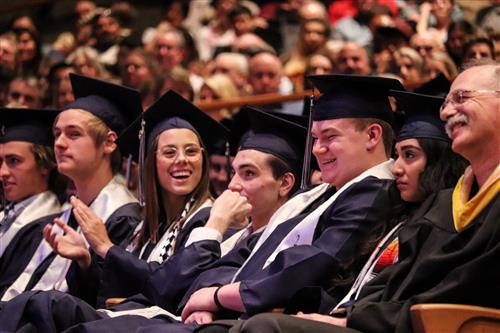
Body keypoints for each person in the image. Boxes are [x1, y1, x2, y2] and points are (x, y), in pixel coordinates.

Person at [199, 60, 500, 333]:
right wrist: (348, 313)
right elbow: (390, 281)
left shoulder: (378, 195)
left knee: (263, 328)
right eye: (446, 102)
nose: (447, 111)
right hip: (380, 320)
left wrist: (351, 318)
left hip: (420, 327)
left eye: (462, 98)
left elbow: (463, 290)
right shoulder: (444, 203)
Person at [104, 74, 406, 333]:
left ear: (372, 135)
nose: (317, 149)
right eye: (314, 138)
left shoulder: (374, 193)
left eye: (329, 137)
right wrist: (209, 295)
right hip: (232, 314)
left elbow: (311, 264)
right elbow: (242, 255)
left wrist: (219, 298)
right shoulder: (320, 195)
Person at [0, 106, 308, 333]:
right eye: (169, 152)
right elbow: (109, 292)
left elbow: (170, 287)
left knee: (48, 307)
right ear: (151, 163)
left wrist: (106, 248)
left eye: (191, 151)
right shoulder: (148, 225)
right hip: (132, 317)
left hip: (159, 322)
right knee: (42, 307)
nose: (182, 160)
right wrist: (85, 261)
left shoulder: (215, 222)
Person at [0, 73, 143, 305]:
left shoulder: (125, 218)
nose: (59, 143)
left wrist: (85, 264)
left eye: (73, 134)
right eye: (57, 134)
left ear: (108, 142)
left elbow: (108, 301)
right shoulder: (62, 218)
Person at [0, 108, 63, 296]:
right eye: (0, 161)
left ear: (44, 164)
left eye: (14, 161)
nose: (2, 172)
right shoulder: (7, 214)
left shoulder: (47, 226)